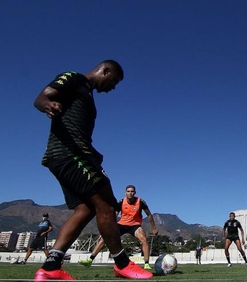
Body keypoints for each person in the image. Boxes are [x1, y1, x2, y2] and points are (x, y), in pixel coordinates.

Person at [33, 60, 152, 280]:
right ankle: (122, 264)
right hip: (71, 155)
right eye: (113, 81)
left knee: (85, 210)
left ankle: (50, 268)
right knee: (106, 205)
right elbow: (42, 97)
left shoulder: (88, 96)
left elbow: (78, 131)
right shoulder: (74, 78)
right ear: (104, 71)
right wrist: (48, 104)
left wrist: (93, 152)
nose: (112, 87)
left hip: (64, 157)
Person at [79, 185, 158, 269]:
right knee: (105, 238)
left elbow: (149, 215)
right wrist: (107, 229)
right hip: (121, 224)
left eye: (132, 191)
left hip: (135, 225)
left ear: (135, 193)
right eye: (128, 191)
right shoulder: (121, 202)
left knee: (144, 239)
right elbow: (114, 215)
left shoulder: (140, 201)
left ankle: (146, 264)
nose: (130, 193)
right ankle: (90, 260)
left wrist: (153, 228)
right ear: (125, 192)